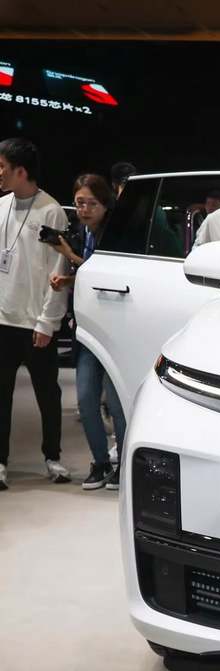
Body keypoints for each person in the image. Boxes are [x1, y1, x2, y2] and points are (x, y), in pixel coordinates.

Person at [0, 137, 72, 490]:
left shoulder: (51, 211)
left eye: (2, 167)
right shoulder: (0, 206)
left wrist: (48, 322)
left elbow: (59, 269)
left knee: (47, 393)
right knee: (1, 396)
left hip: (36, 324)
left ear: (21, 171)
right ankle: (0, 461)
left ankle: (52, 457)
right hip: (2, 320)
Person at [49, 174, 125, 491]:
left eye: (91, 203)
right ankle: (101, 462)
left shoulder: (116, 236)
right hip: (85, 330)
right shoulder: (83, 233)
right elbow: (86, 276)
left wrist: (68, 255)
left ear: (105, 205)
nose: (84, 209)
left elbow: (101, 274)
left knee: (116, 404)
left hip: (114, 330)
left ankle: (123, 464)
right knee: (86, 399)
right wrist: (67, 280)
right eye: (79, 203)